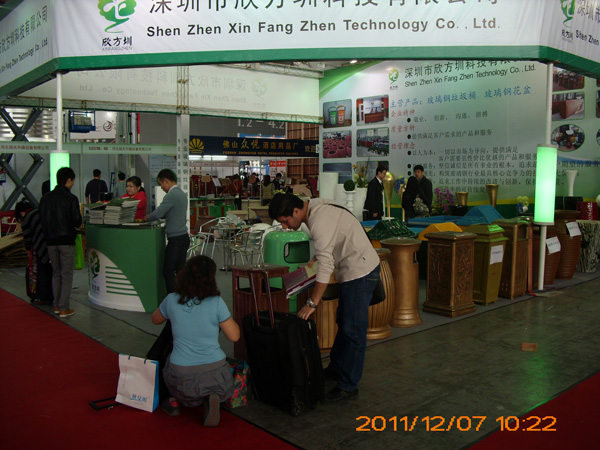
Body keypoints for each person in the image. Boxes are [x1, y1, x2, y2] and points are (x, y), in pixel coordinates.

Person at [268, 193, 380, 402]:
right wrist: (316, 257)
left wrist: (312, 303)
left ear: (296, 211)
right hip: (350, 268)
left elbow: (326, 267)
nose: (284, 227)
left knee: (353, 329)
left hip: (361, 271)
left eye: (285, 221)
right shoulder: (314, 206)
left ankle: (349, 385)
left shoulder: (319, 219)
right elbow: (330, 239)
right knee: (344, 322)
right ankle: (337, 368)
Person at [151, 255, 240, 425]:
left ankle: (175, 399)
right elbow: (234, 336)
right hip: (217, 377)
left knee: (167, 359)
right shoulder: (216, 302)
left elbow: (155, 319)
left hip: (182, 378)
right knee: (218, 376)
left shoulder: (171, 299)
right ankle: (208, 398)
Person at [38, 167, 82, 318]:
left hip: (50, 242)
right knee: (67, 275)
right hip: (66, 241)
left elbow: (42, 219)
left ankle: (56, 305)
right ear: (69, 180)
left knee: (56, 274)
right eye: (73, 181)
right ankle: (64, 308)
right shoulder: (71, 198)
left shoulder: (45, 198)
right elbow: (77, 221)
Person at [145, 169, 189, 294]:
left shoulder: (171, 195)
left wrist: (147, 218)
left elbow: (158, 213)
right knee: (180, 271)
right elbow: (173, 213)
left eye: (161, 184)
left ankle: (172, 299)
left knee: (168, 271)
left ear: (165, 181)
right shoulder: (181, 193)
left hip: (175, 240)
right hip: (183, 237)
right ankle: (182, 296)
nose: (162, 188)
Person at [14, 198, 53, 305]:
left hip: (41, 247)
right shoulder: (39, 211)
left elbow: (27, 238)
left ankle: (43, 297)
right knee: (51, 271)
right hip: (53, 243)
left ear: (21, 212)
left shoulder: (26, 218)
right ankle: (53, 295)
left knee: (42, 271)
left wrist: (28, 251)